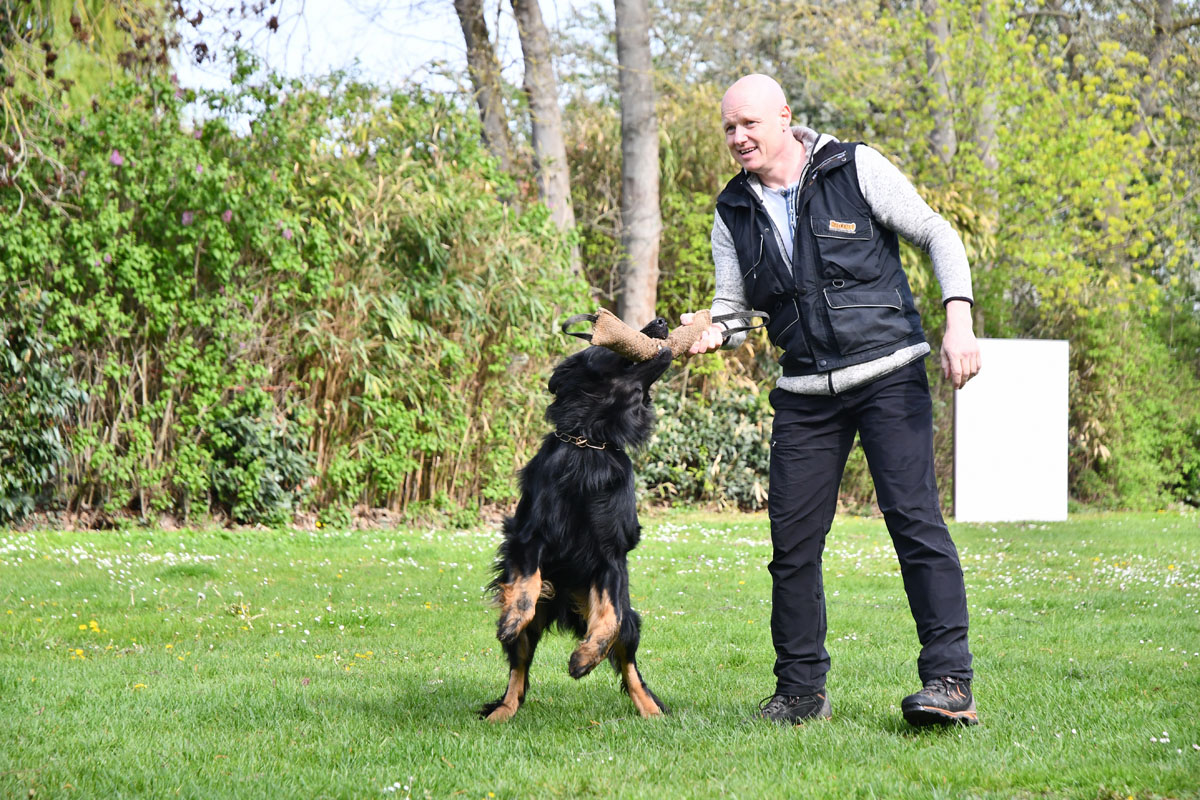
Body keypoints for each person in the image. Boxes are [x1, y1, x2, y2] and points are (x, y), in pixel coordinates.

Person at [682, 74, 982, 728]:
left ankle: (949, 683)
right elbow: (735, 309)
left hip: (889, 373)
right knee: (792, 545)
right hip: (805, 395)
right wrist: (714, 332)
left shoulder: (853, 166)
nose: (737, 138)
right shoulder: (732, 210)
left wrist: (957, 320)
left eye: (749, 125)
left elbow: (937, 233)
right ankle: (799, 693)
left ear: (784, 118)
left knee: (914, 521)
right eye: (728, 128)